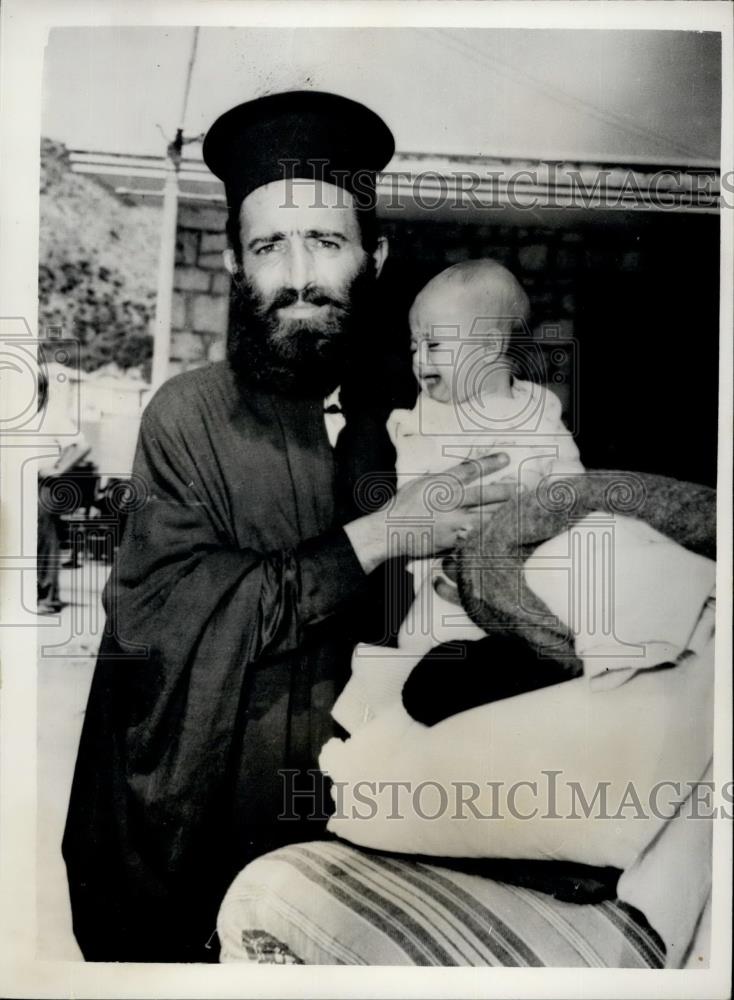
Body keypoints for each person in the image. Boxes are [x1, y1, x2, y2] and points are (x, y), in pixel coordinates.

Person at [62, 90, 516, 963]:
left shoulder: (426, 412)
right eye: (270, 244)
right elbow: (167, 627)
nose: (299, 272)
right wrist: (385, 535)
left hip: (375, 848)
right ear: (236, 261)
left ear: (373, 255)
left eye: (327, 240)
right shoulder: (186, 419)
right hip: (204, 845)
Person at [331, 259, 583, 732]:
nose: (420, 361)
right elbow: (417, 502)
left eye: (435, 344)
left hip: (529, 589)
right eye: (414, 347)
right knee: (413, 688)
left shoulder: (538, 411)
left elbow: (573, 485)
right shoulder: (423, 420)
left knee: (523, 696)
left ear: (489, 345)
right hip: (446, 594)